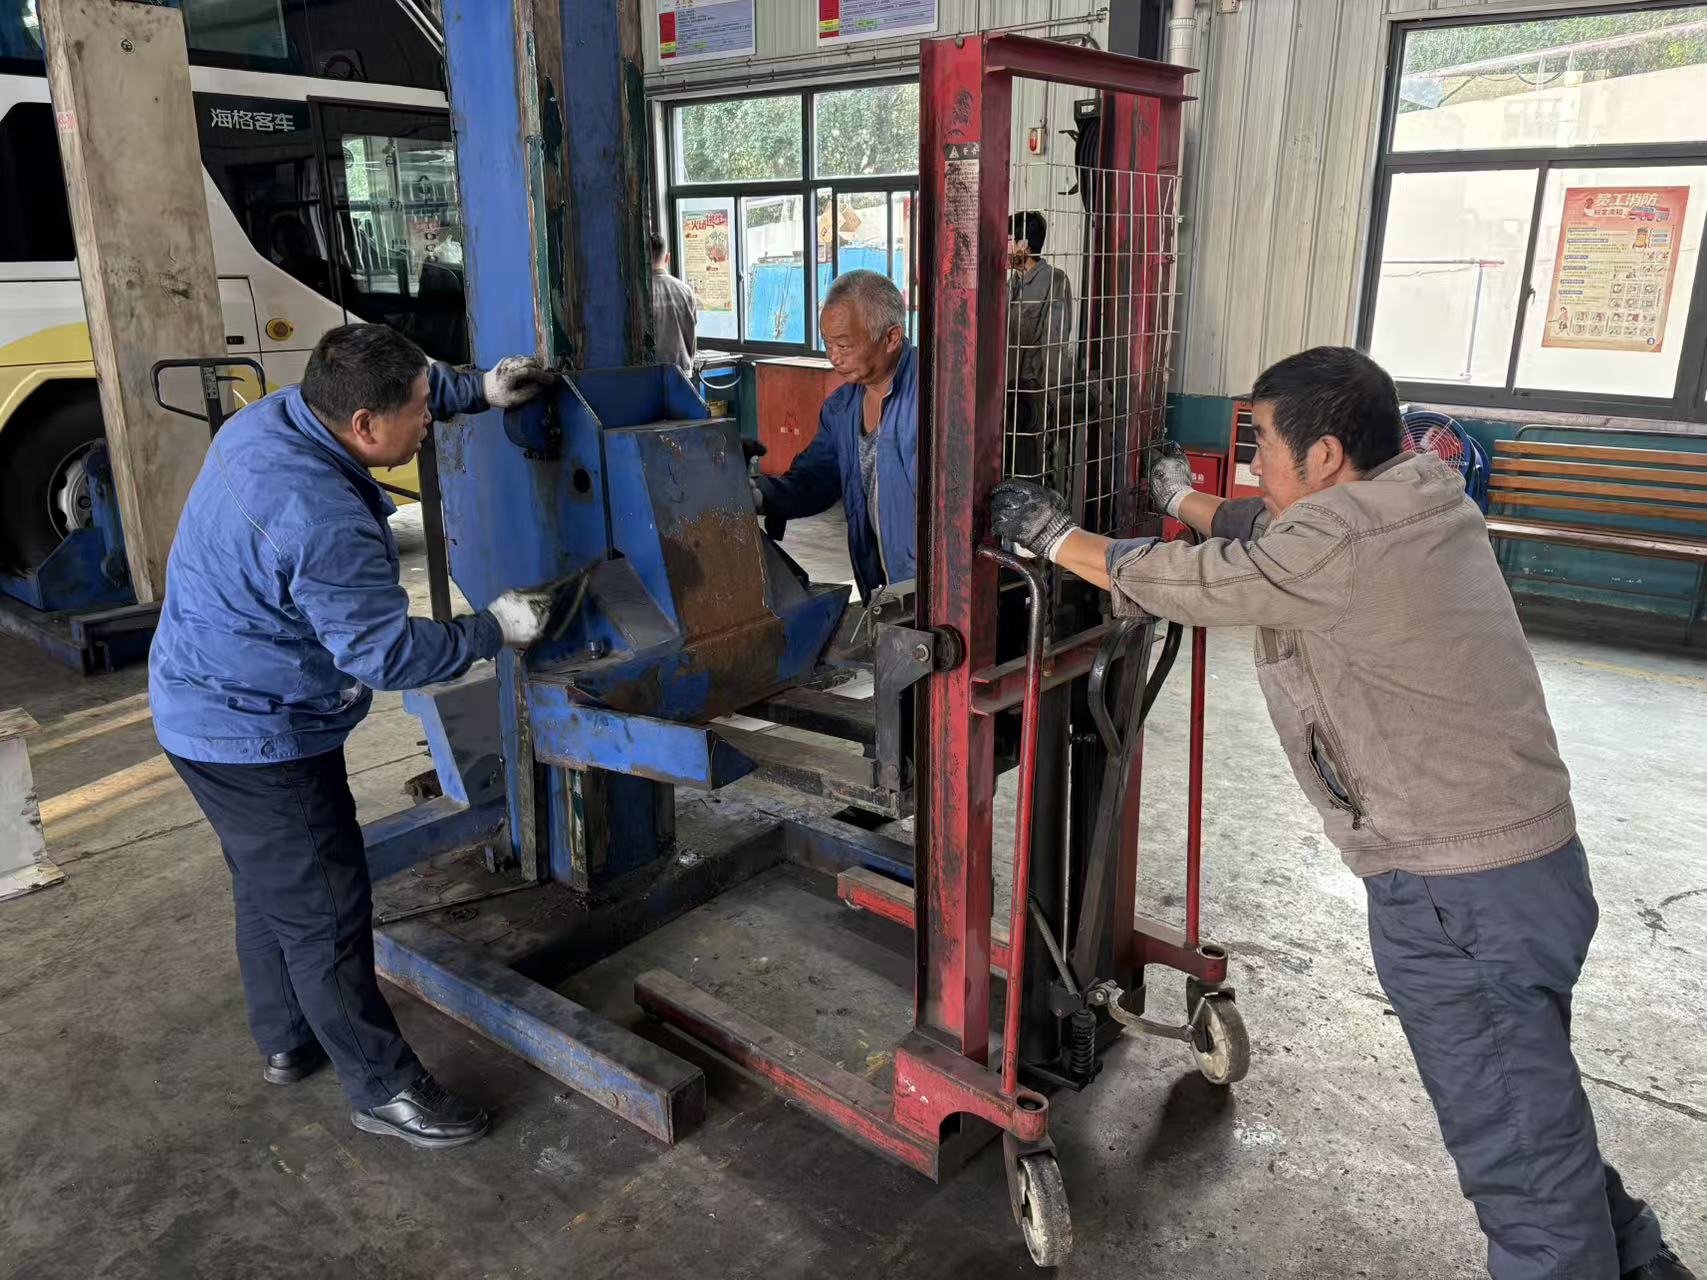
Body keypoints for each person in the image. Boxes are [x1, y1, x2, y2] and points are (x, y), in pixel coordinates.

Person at [988, 346, 1693, 1280]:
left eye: (1262, 447)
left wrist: (1054, 540)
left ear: (1323, 456)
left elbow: (1210, 582)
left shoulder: (1336, 545)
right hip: (1530, 873)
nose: (1252, 467)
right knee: (1530, 1112)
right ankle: (1641, 1264)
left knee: (1518, 1158)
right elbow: (1270, 531)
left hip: (1454, 895)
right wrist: (1182, 500)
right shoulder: (1419, 493)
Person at [150, 323, 562, 1151]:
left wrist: (478, 390)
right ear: (366, 425)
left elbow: (402, 385)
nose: (429, 421)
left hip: (198, 704)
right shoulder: (320, 516)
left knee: (270, 884)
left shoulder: (274, 416)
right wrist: (494, 629)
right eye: (421, 410)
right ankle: (384, 1090)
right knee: (328, 917)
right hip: (257, 731)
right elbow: (387, 655)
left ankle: (287, 1038)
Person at [750, 269, 916, 600]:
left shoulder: (934, 400)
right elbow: (815, 479)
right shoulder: (841, 408)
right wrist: (759, 494)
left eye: (844, 345)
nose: (834, 356)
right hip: (878, 585)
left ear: (891, 337)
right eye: (828, 344)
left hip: (932, 589)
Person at [649, 231, 699, 379]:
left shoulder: (639, 294)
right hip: (681, 373)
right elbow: (692, 333)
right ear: (668, 258)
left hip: (649, 375)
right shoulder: (686, 291)